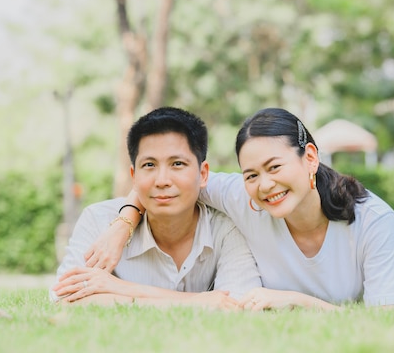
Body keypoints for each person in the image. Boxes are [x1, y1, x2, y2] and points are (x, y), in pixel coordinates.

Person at [87, 108, 394, 310]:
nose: (265, 185)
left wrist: (298, 302)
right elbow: (166, 183)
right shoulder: (242, 197)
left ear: (310, 158)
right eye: (251, 174)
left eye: (275, 167)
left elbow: (383, 321)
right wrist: (123, 225)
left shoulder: (373, 221)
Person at [50, 107, 261, 308]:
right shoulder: (99, 221)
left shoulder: (227, 227)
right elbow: (65, 298)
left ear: (203, 174)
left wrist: (119, 288)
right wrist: (196, 303)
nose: (162, 180)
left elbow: (237, 304)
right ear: (134, 176)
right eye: (149, 165)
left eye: (177, 164)